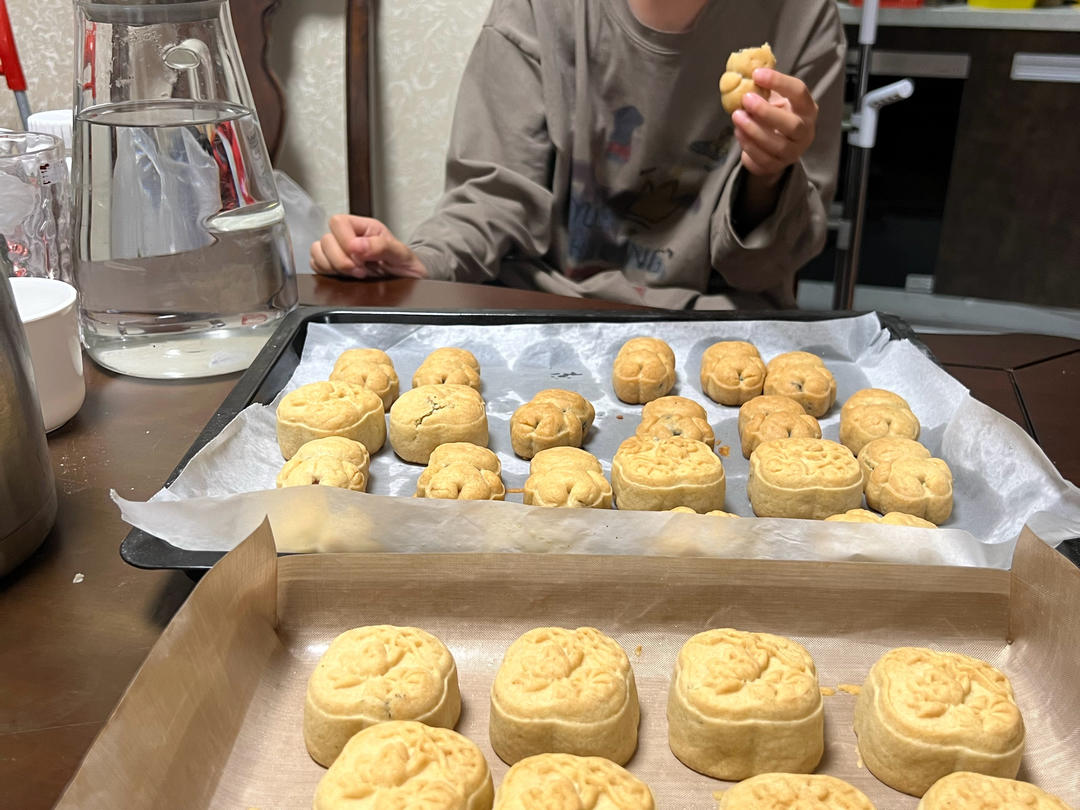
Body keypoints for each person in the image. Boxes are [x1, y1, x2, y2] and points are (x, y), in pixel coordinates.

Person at [311, 0, 846, 309]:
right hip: (548, 309)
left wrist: (769, 176)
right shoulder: (543, 9)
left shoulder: (803, 19)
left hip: (717, 322)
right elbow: (495, 197)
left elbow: (770, 265)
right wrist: (424, 261)